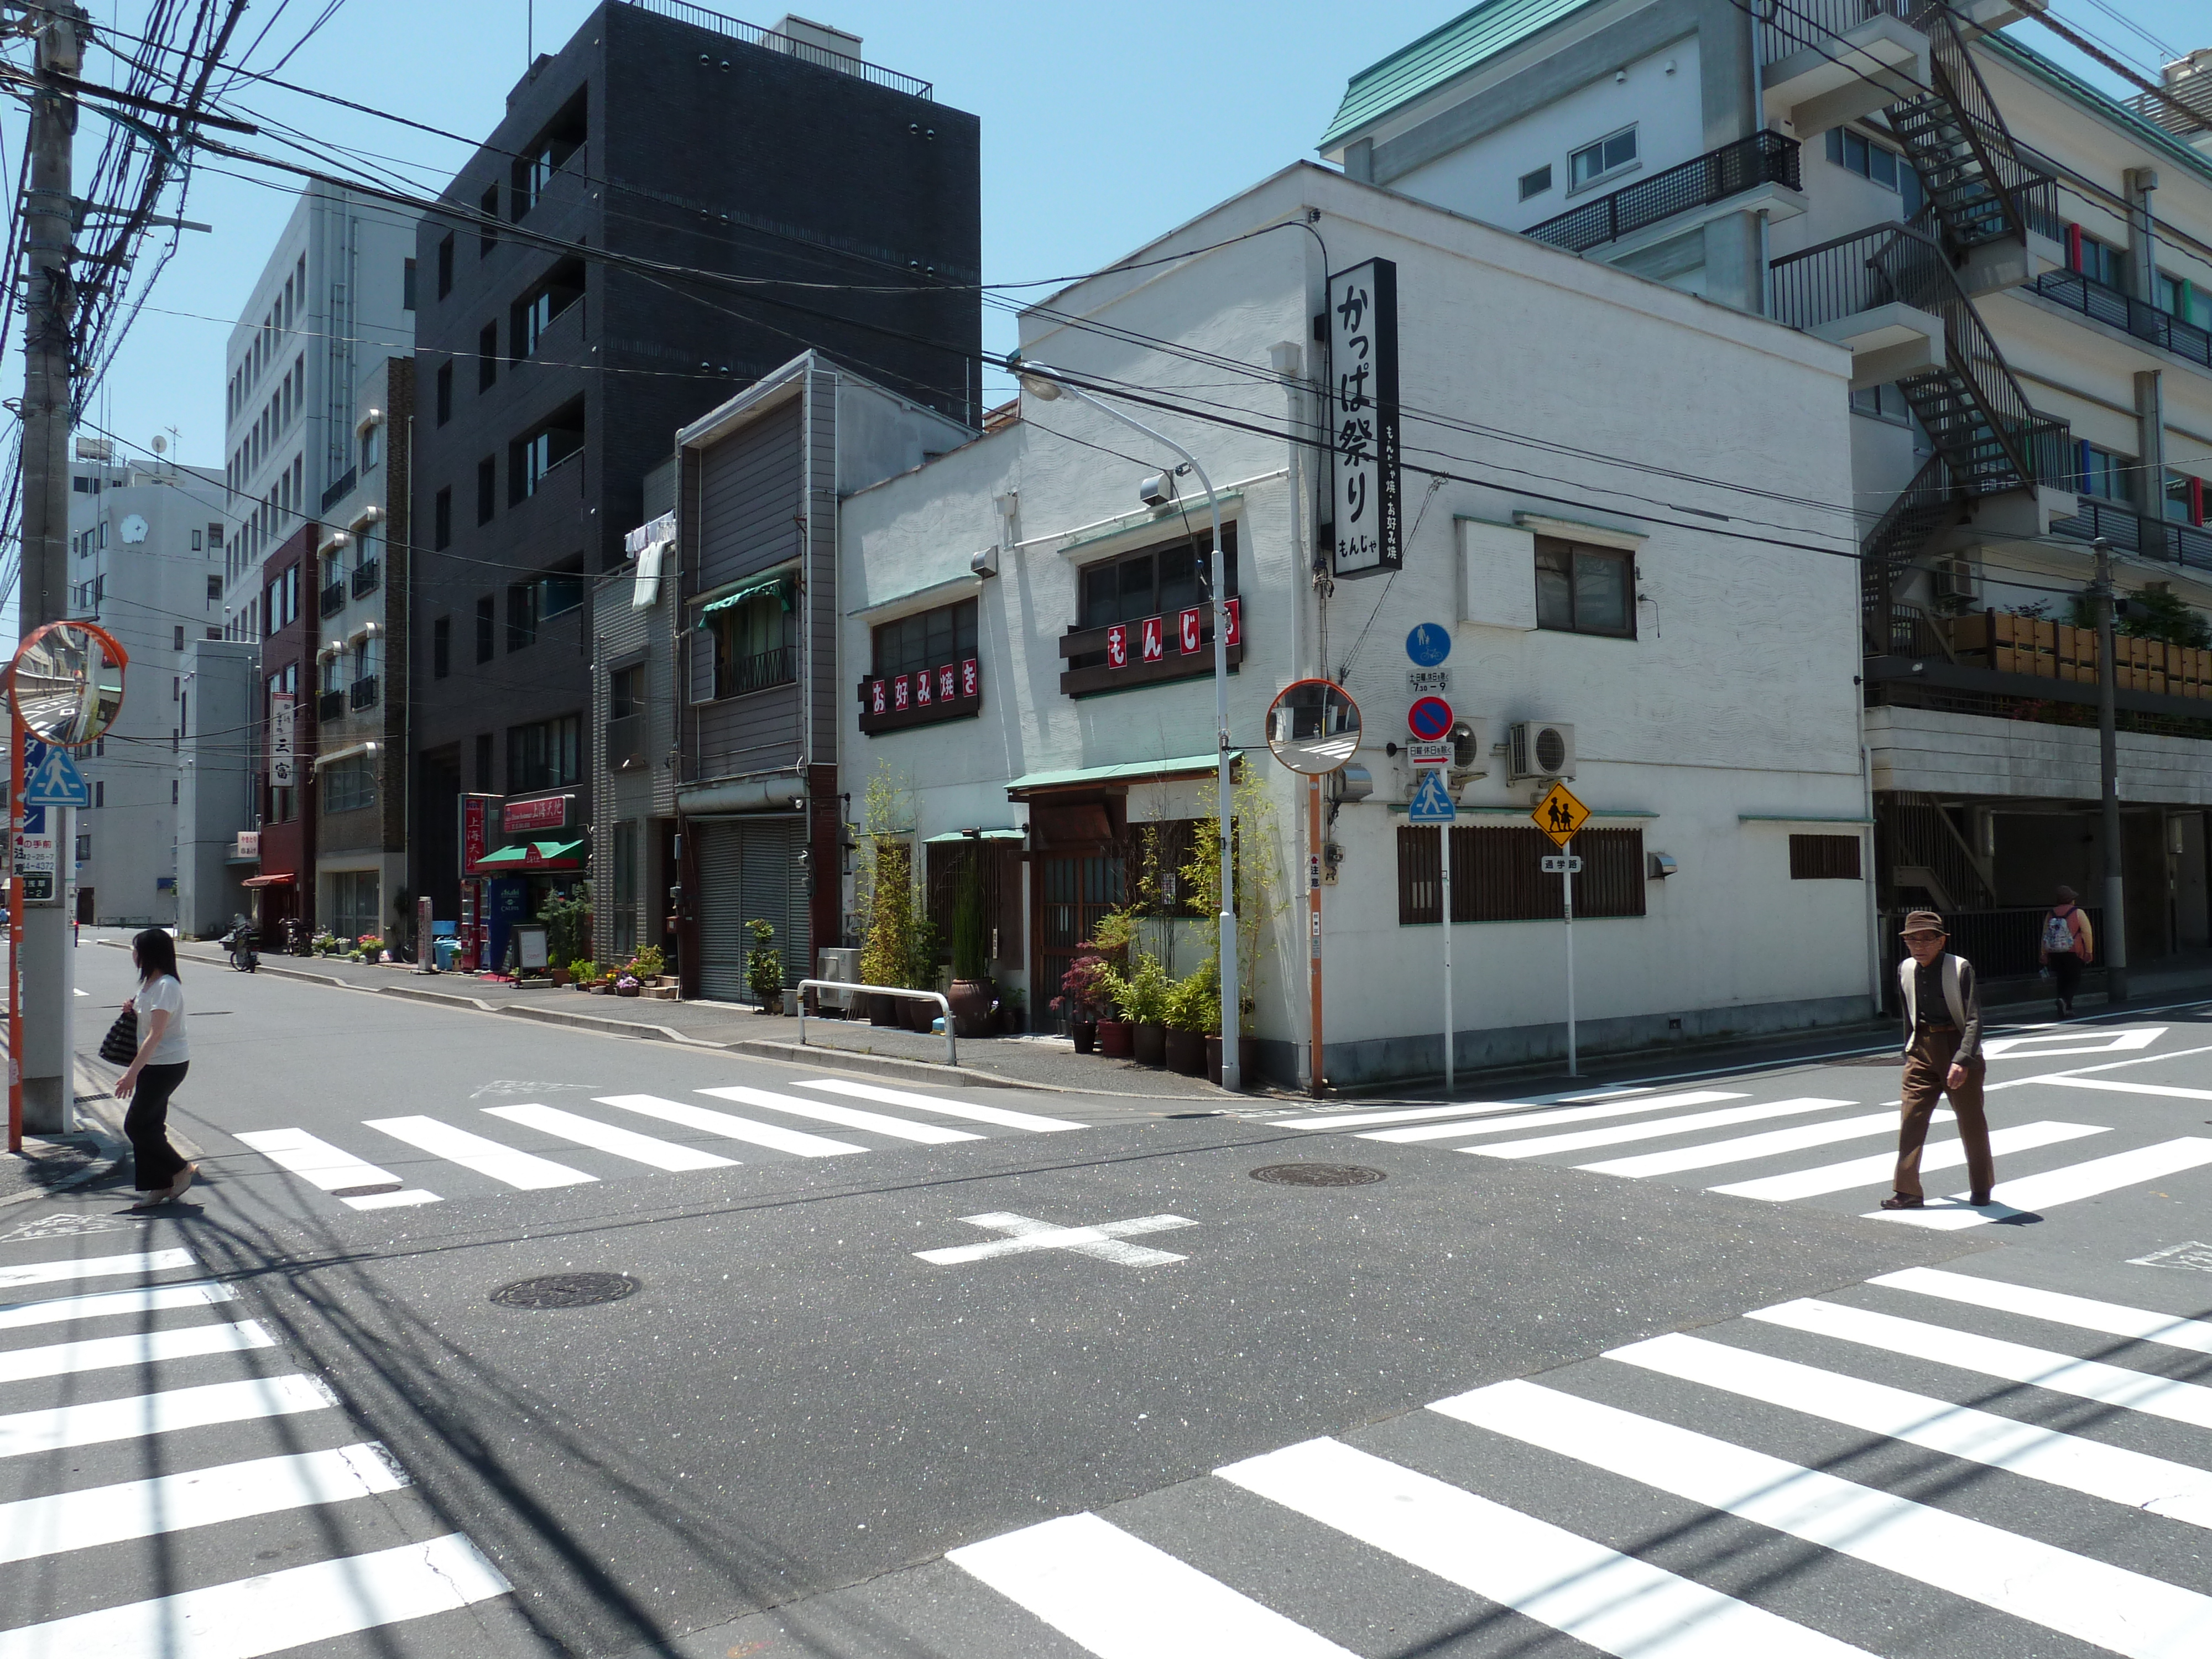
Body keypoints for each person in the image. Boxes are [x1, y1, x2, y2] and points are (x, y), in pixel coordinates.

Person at [1885, 911, 1993, 1211]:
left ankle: (1982, 1186)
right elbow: (1909, 1013)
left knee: (1971, 1120)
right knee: (1911, 1119)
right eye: (1912, 940)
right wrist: (1909, 1049)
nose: (1918, 946)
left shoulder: (1959, 968)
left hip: (1957, 1046)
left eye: (1926, 939)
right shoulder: (1906, 969)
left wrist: (1963, 1058)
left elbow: (1974, 1020)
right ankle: (1907, 1191)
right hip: (1921, 1048)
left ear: (1941, 940)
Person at [113, 926, 197, 1211]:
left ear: (150, 953)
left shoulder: (167, 987)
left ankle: (181, 1168)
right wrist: (132, 1008)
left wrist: (131, 1074)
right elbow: (147, 1020)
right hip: (154, 1062)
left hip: (167, 1064)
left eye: (137, 950)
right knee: (150, 1126)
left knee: (136, 1125)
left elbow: (156, 1034)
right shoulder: (150, 983)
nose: (133, 955)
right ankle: (159, 1186)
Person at [2039, 885, 2094, 1018]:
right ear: (2071, 900)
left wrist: (2043, 953)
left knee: (2061, 978)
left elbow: (2045, 934)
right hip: (2073, 951)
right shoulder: (2078, 912)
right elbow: (2087, 933)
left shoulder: (2051, 913)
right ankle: (2065, 1000)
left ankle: (2065, 1005)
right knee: (2075, 978)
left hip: (2054, 951)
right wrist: (2089, 951)